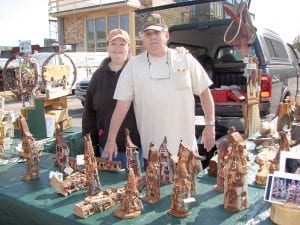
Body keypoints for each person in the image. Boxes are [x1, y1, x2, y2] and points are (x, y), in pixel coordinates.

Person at [103, 13, 215, 164]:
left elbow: (204, 92)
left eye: (157, 32)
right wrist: (111, 140)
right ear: (142, 38)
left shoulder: (185, 59)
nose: (153, 37)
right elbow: (121, 106)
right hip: (153, 155)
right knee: (154, 188)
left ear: (166, 35)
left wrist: (210, 124)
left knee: (191, 187)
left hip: (187, 152)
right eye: (148, 34)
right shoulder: (133, 67)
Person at [82, 29, 141, 168]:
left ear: (129, 47)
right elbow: (89, 114)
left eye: (122, 44)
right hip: (107, 147)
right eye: (113, 43)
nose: (117, 48)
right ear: (107, 47)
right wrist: (90, 144)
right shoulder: (98, 76)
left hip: (136, 147)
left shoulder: (138, 71)